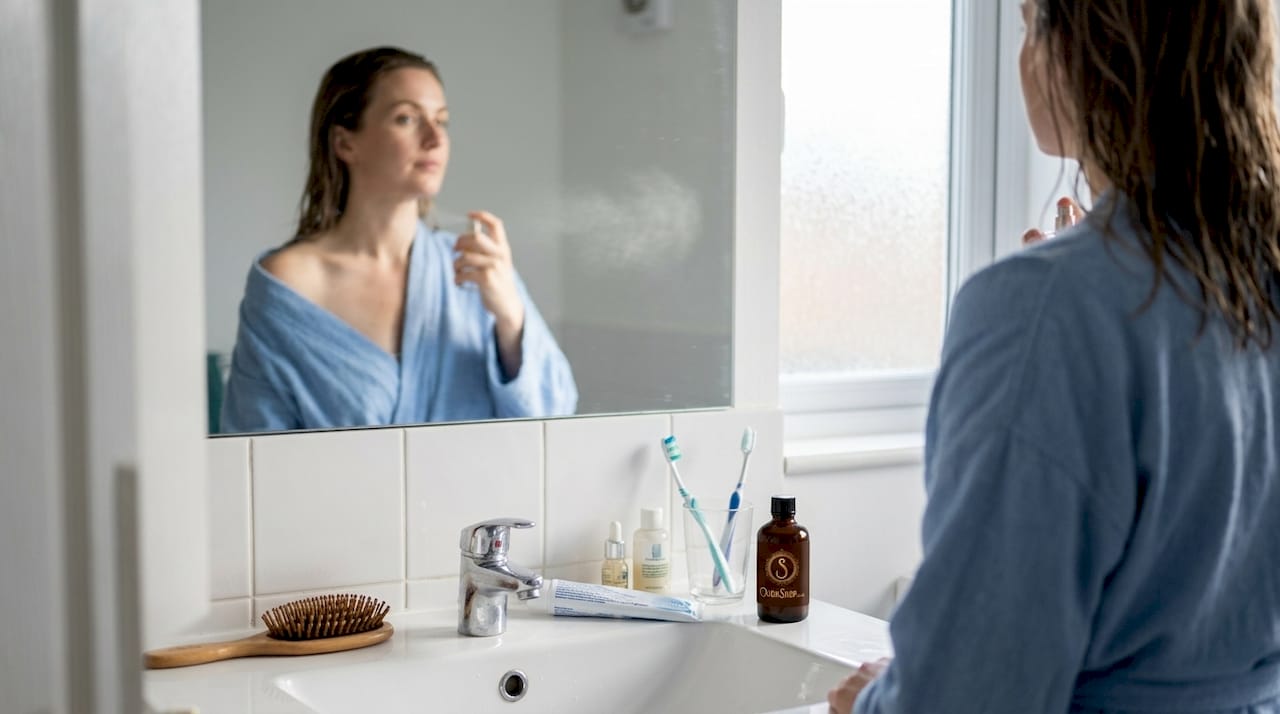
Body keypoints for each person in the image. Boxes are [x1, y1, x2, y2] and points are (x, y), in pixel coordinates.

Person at [830, 1, 1280, 712]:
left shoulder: (1047, 309)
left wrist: (873, 704)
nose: (1023, 55)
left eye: (1029, 24)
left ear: (1087, 54)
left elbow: (962, 699)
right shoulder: (1255, 275)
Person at [220, 47, 577, 433]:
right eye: (406, 118)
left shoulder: (472, 267)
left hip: (476, 493)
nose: (434, 138)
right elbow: (252, 449)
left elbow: (555, 418)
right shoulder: (289, 286)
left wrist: (510, 317)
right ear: (345, 144)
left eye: (442, 121)